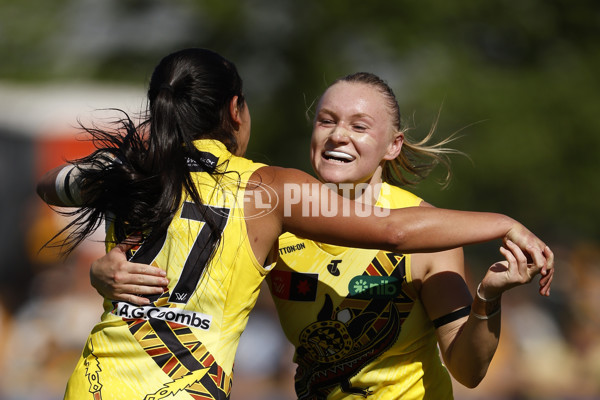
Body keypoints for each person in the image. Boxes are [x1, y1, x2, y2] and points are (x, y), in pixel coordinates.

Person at [38, 48, 552, 400]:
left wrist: (487, 299)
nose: (337, 136)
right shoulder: (276, 203)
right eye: (326, 120)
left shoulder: (430, 230)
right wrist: (101, 273)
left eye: (359, 125)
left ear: (394, 145)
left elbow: (468, 370)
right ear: (236, 112)